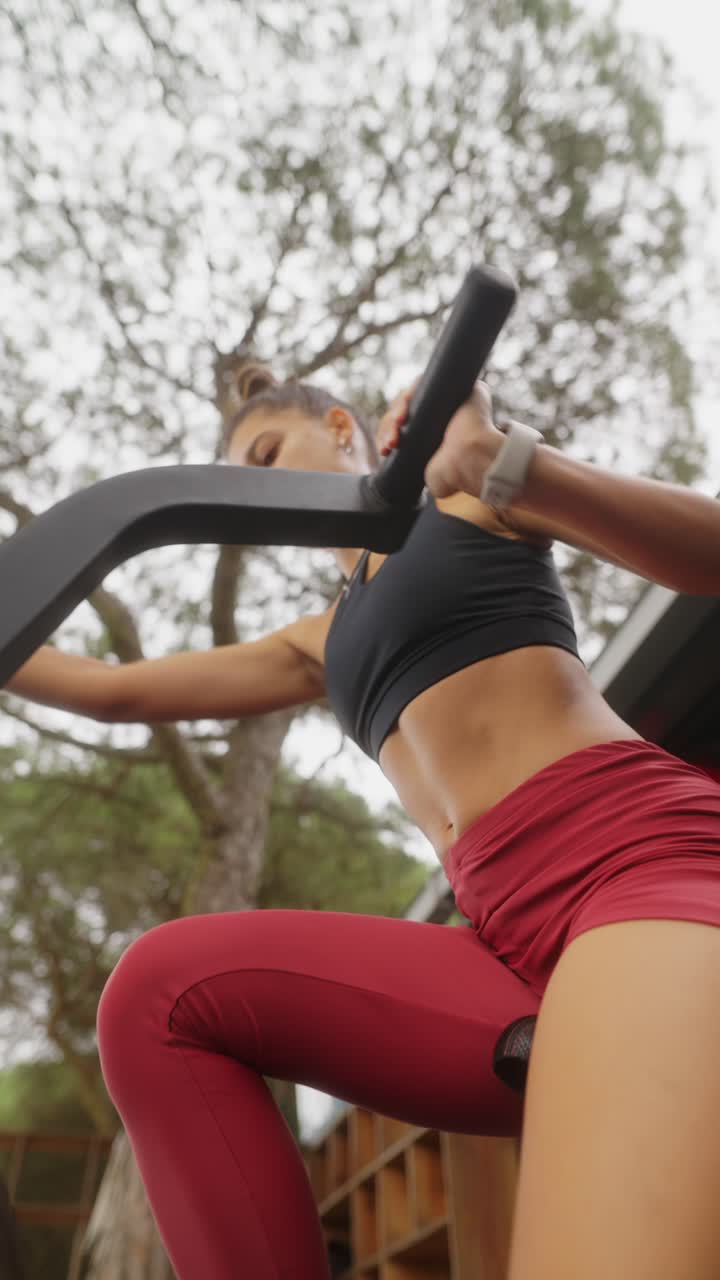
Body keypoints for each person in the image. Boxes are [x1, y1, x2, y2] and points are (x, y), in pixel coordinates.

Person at [6, 366, 720, 1280]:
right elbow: (110, 692)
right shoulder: (319, 638)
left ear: (344, 428)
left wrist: (501, 463)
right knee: (159, 996)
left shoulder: (469, 501)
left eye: (265, 454)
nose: (257, 485)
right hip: (501, 941)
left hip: (631, 866)